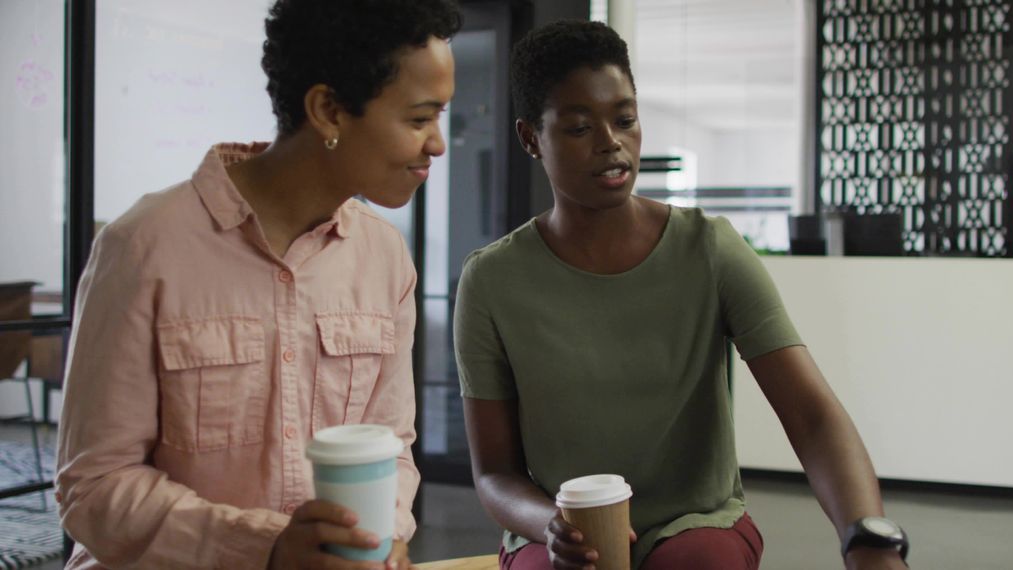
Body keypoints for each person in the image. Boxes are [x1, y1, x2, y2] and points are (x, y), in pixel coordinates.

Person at [453, 20, 909, 570]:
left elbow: (811, 417)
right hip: (559, 533)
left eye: (624, 120)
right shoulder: (492, 280)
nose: (611, 143)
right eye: (579, 128)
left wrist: (868, 541)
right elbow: (494, 474)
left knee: (697, 560)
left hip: (696, 525)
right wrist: (550, 524)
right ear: (531, 138)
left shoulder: (710, 250)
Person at [55, 1, 459, 568]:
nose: (438, 144)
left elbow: (389, 451)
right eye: (420, 119)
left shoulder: (385, 256)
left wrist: (380, 536)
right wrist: (265, 549)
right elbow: (93, 487)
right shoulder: (144, 247)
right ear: (328, 111)